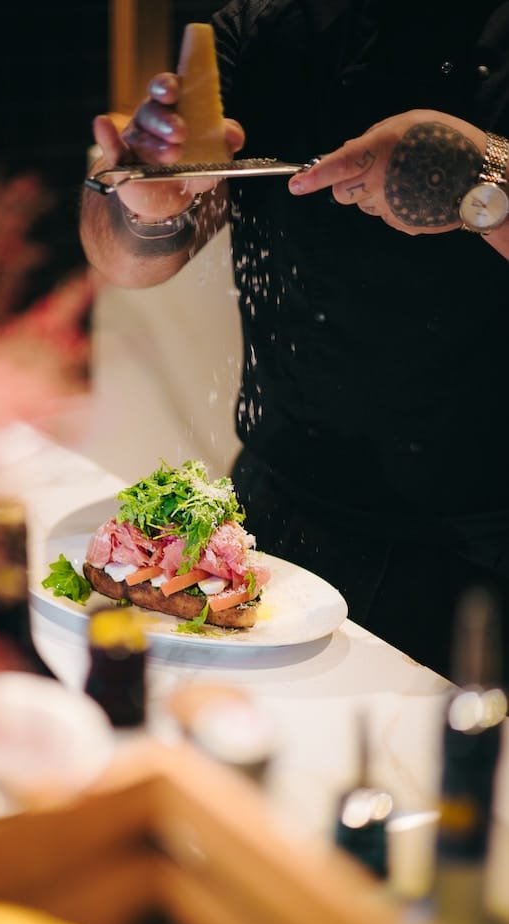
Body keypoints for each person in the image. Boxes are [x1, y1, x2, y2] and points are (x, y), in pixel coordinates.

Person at [80, 0, 509, 682]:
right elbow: (126, 261)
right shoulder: (262, 26)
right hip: (276, 506)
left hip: (478, 546)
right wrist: (145, 199)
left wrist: (487, 179)